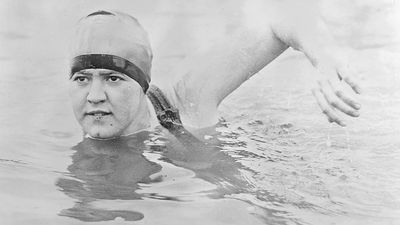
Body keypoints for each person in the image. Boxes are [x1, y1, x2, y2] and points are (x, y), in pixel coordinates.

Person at [69, 5, 362, 140]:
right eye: (82, 79)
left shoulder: (185, 99)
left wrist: (324, 58)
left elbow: (281, 16)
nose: (94, 96)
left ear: (143, 82)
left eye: (113, 78)